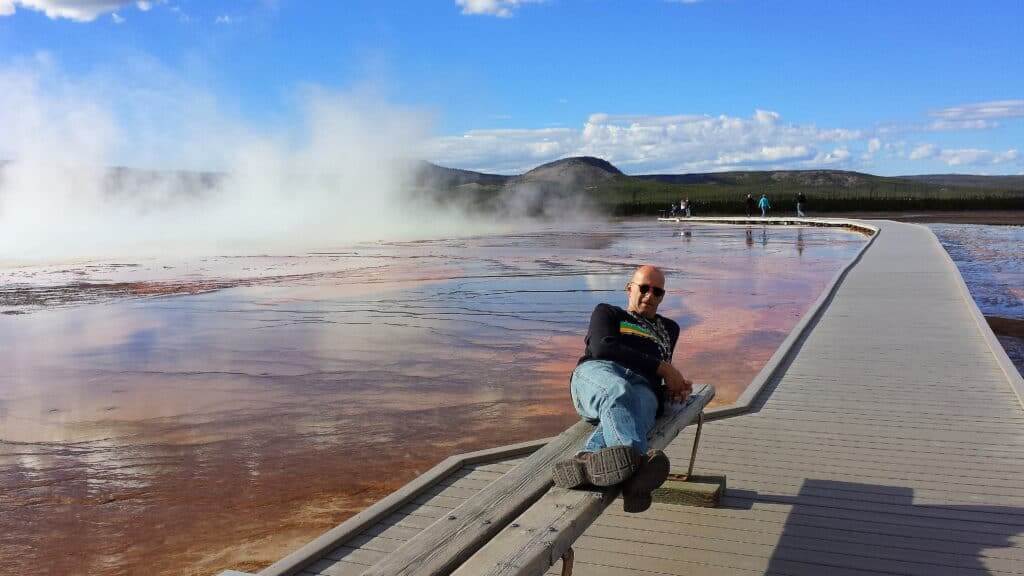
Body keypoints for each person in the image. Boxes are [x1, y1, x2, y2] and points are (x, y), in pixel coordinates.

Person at [552, 265, 692, 513]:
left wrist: (673, 392)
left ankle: (585, 461)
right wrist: (664, 368)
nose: (650, 296)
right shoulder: (608, 312)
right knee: (619, 390)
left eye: (657, 292)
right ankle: (638, 471)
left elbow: (659, 378)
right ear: (630, 288)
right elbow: (602, 348)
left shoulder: (670, 329)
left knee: (638, 406)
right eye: (644, 288)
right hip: (599, 375)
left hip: (643, 389)